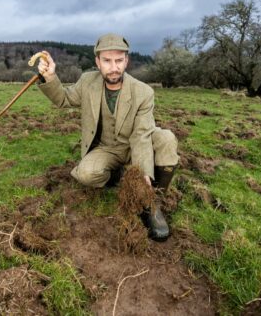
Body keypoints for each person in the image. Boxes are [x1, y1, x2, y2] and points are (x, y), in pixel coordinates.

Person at [36, 33, 179, 241]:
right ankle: (120, 175)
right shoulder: (87, 81)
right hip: (106, 147)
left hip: (135, 144)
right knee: (85, 174)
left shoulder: (144, 92)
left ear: (126, 61)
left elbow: (141, 136)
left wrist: (143, 177)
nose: (114, 67)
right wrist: (50, 78)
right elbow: (64, 99)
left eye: (119, 60)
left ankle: (151, 203)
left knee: (166, 138)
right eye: (107, 61)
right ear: (97, 62)